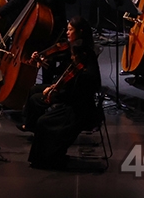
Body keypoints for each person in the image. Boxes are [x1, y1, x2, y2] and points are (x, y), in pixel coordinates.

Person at [23, 18, 101, 169]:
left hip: (79, 109)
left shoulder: (84, 63)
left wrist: (54, 92)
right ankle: (47, 155)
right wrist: (55, 86)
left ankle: (48, 157)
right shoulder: (77, 55)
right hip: (72, 102)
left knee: (43, 121)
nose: (67, 33)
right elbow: (64, 78)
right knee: (42, 116)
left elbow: (75, 92)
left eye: (70, 29)